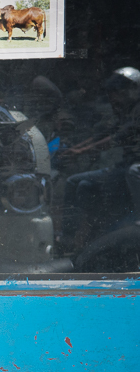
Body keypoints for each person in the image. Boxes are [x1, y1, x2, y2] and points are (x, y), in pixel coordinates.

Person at [58, 66, 140, 250]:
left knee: (80, 184)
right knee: (82, 186)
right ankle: (74, 240)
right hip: (122, 167)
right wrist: (75, 148)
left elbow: (117, 138)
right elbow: (104, 133)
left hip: (131, 169)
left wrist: (81, 152)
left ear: (132, 90)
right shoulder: (124, 111)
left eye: (118, 92)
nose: (114, 97)